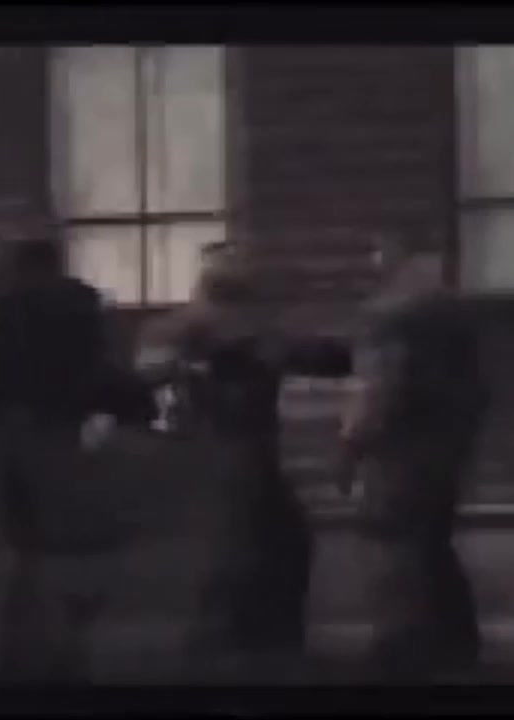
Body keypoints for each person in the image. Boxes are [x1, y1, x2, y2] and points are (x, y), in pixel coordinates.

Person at [136, 242, 353, 680]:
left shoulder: (257, 330)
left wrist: (270, 350)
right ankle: (224, 646)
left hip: (251, 448)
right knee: (238, 548)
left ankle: (265, 643)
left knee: (283, 543)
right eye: (228, 263)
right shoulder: (184, 328)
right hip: (212, 447)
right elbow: (148, 372)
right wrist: (193, 364)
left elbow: (327, 357)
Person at [0, 237, 154, 683]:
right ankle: (61, 657)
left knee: (24, 552)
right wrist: (133, 407)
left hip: (3, 438)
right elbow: (103, 374)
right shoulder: (79, 308)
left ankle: (25, 659)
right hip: (62, 435)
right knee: (62, 552)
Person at [338, 231, 489, 681]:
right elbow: (478, 391)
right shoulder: (455, 315)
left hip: (398, 453)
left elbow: (378, 390)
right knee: (431, 542)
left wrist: (349, 447)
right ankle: (456, 644)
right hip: (445, 451)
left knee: (390, 542)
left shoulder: (390, 315)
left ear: (390, 257)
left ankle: (402, 648)